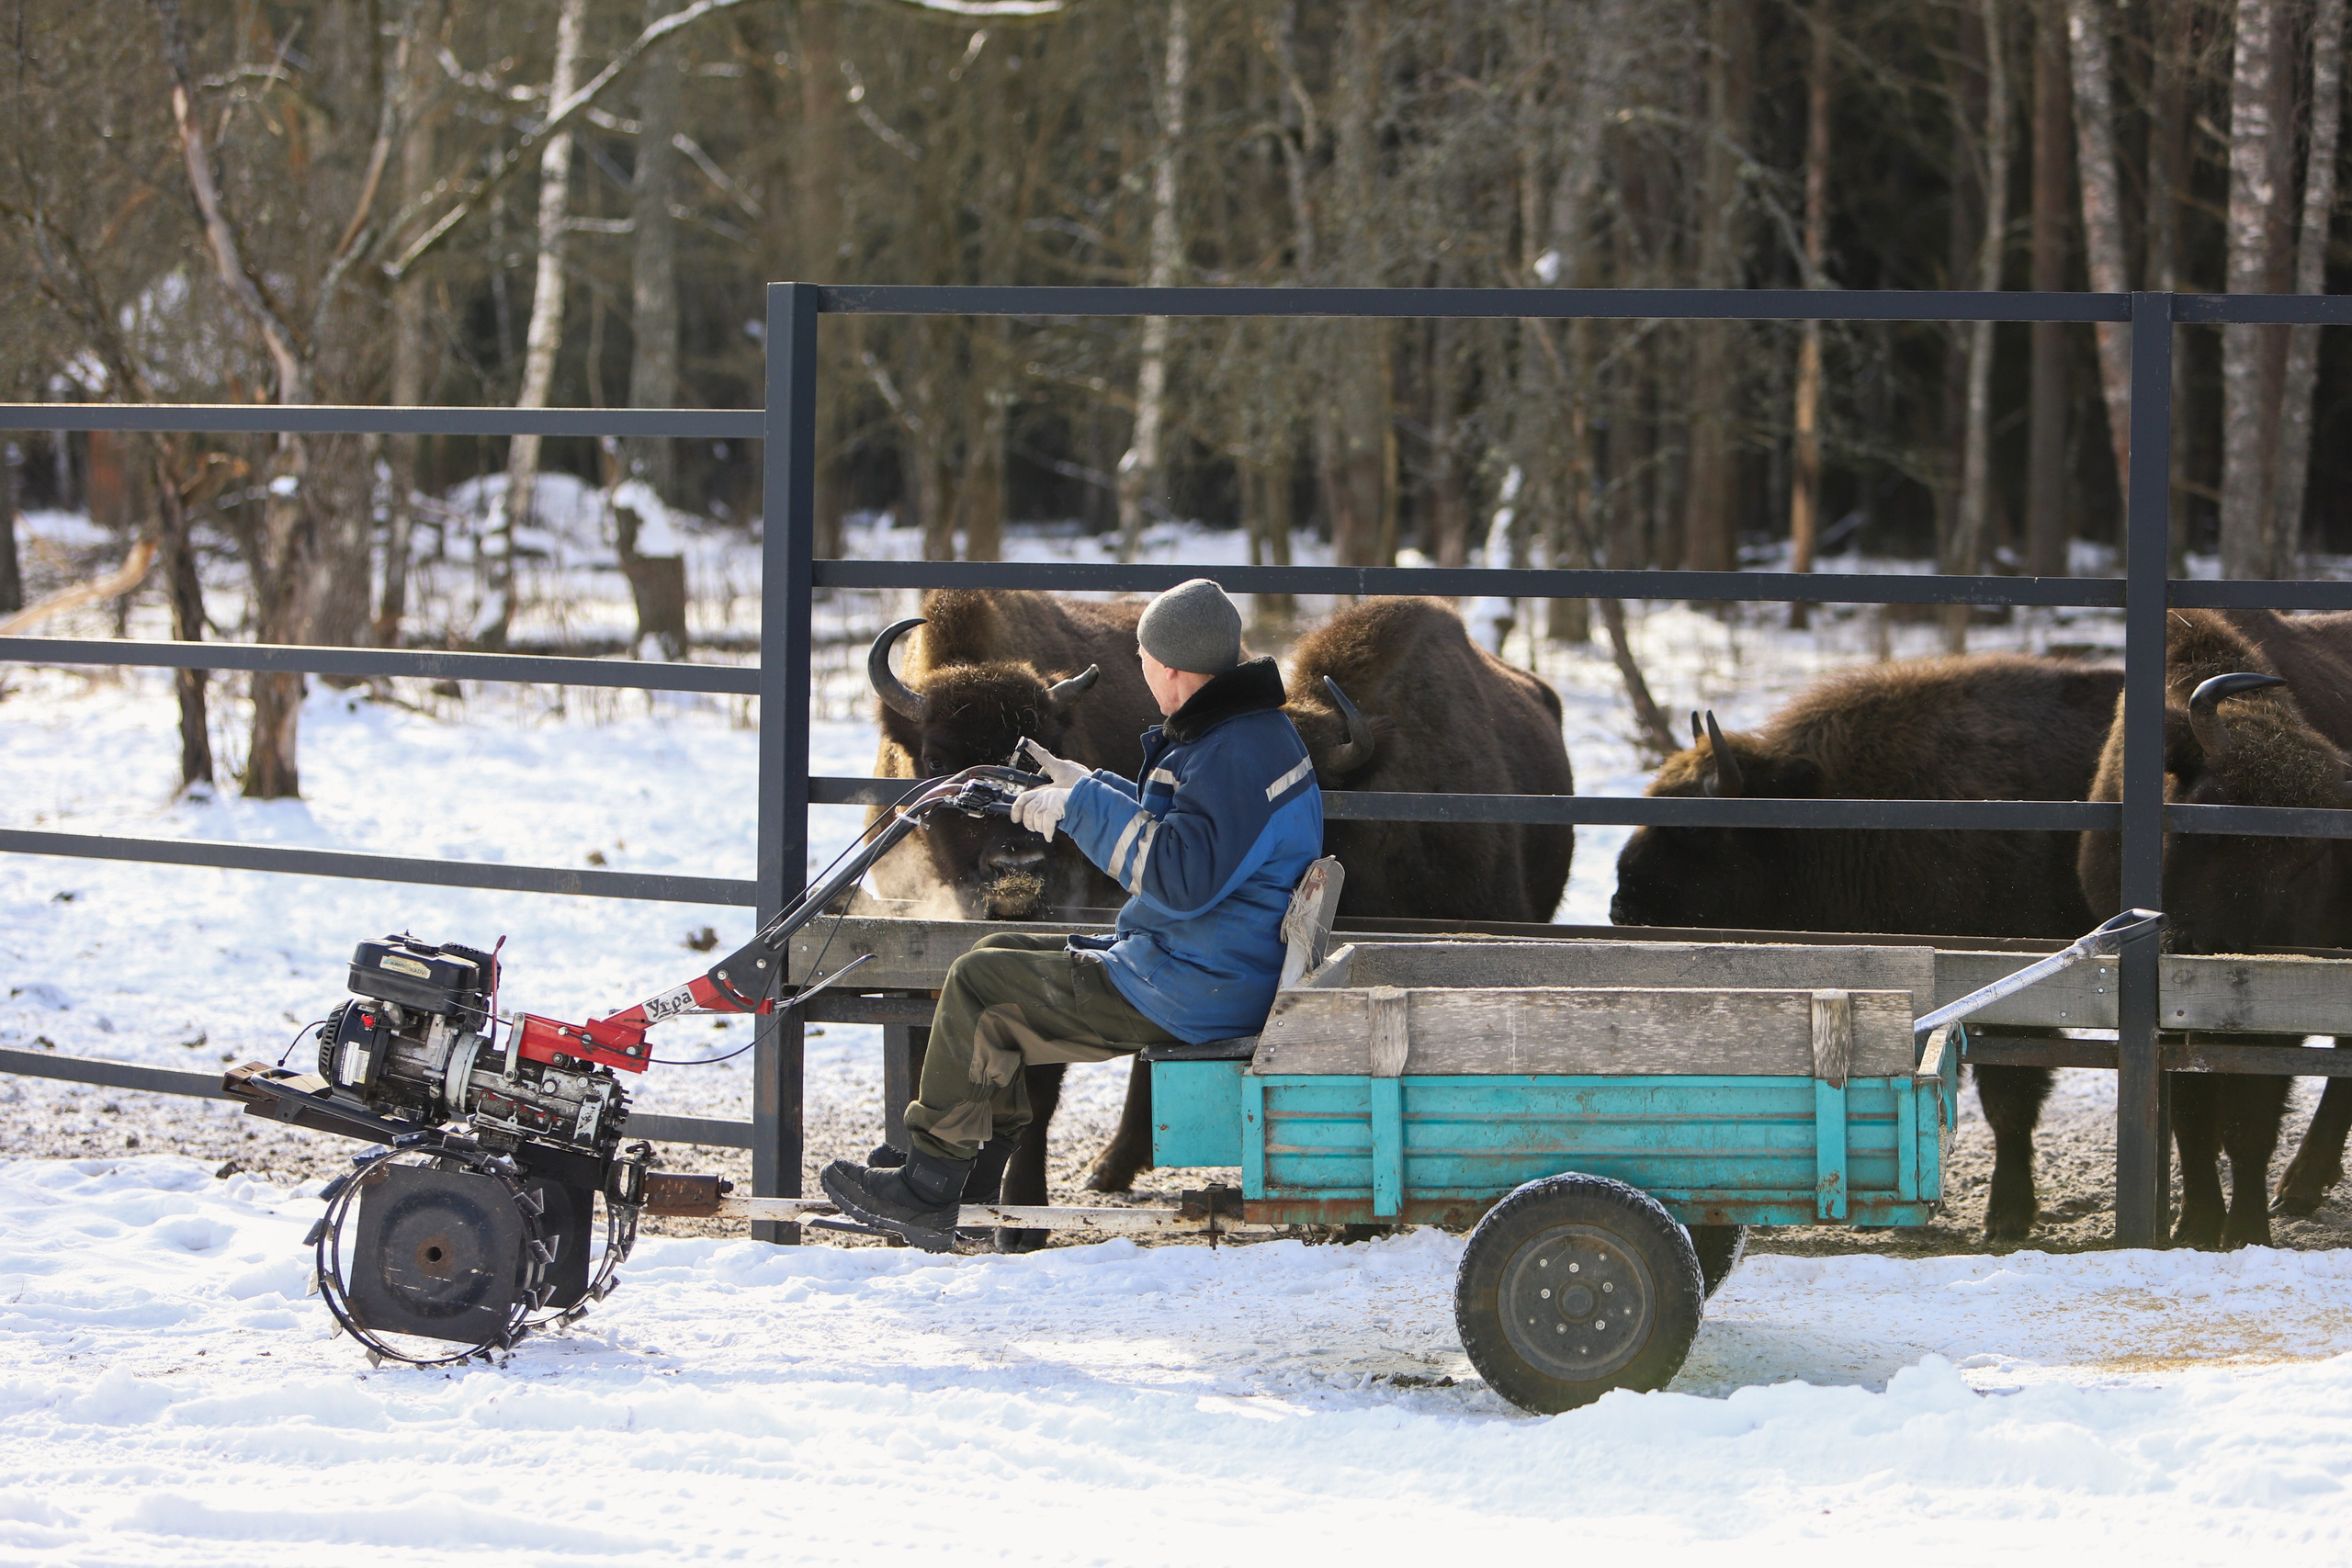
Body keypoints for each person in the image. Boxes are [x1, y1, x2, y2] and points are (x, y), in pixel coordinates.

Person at [820, 578, 1324, 1249]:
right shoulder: (1247, 735)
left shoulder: (1233, 752)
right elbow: (1192, 836)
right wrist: (1088, 786)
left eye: (1143, 659)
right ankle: (975, 1168)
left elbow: (1182, 877)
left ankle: (927, 1184)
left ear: (1173, 668)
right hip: (1204, 960)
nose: (1138, 671)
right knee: (996, 956)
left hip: (1193, 984)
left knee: (977, 982)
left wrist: (1082, 810)